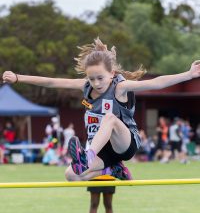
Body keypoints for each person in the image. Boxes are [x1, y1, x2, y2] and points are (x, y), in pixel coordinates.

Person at [2, 38, 200, 180]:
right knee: (71, 175)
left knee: (110, 118)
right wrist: (19, 78)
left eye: (100, 78)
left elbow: (156, 83)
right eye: (91, 78)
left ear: (112, 74)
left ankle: (86, 157)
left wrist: (188, 75)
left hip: (125, 143)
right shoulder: (86, 87)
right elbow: (51, 82)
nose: (96, 83)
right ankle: (113, 170)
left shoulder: (120, 87)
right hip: (104, 151)